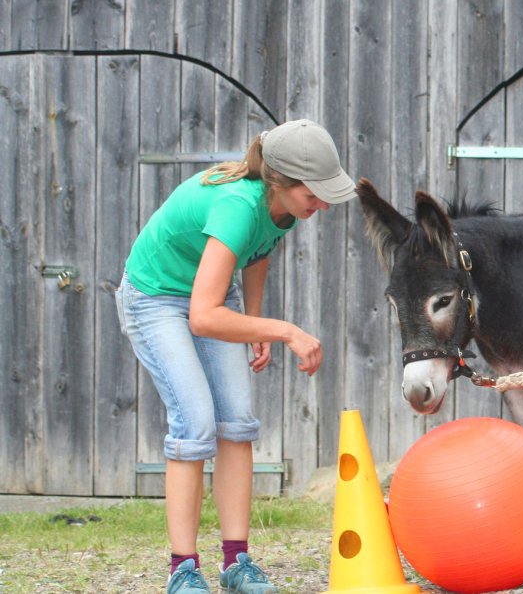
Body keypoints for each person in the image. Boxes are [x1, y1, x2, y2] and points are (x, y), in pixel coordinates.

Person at [115, 119, 356, 593]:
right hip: (155, 298)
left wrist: (255, 320)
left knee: (238, 422)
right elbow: (204, 317)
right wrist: (282, 330)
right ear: (283, 183)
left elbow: (257, 253)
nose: (323, 204)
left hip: (207, 296)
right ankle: (182, 571)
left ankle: (236, 563)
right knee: (195, 423)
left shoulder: (283, 210)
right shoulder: (237, 207)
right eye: (315, 193)